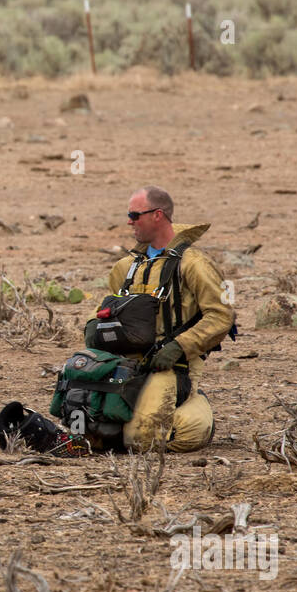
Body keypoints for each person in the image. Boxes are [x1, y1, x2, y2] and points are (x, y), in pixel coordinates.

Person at [102, 186, 235, 452]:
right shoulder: (125, 267)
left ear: (157, 215)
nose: (129, 221)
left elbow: (222, 316)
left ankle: (194, 409)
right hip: (126, 364)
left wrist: (178, 347)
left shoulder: (194, 264)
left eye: (134, 214)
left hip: (173, 366)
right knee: (90, 428)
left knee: (142, 440)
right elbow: (107, 309)